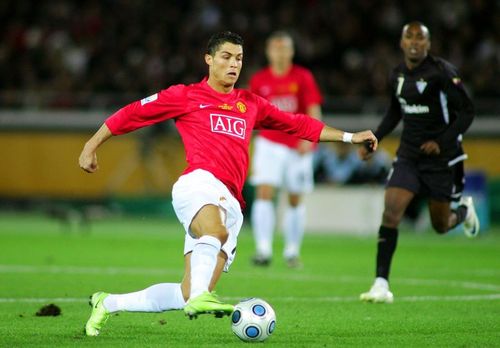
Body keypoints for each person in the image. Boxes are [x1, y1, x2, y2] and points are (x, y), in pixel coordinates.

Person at [79, 31, 378, 336]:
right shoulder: (185, 96)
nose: (234, 64)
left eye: (239, 59)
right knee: (215, 233)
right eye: (226, 57)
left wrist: (350, 137)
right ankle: (200, 297)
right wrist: (91, 145)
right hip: (198, 184)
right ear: (208, 60)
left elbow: (298, 124)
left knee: (187, 291)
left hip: (231, 201)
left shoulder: (250, 103)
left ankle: (108, 302)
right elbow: (133, 113)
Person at [358, 22, 480, 304]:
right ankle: (380, 284)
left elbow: (468, 112)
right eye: (409, 37)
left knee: (440, 225)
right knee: (391, 212)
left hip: (442, 159)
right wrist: (374, 138)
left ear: (428, 43)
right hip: (409, 156)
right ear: (401, 43)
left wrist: (442, 140)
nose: (414, 42)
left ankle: (463, 212)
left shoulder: (442, 73)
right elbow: (394, 112)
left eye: (420, 38)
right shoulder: (397, 74)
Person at [249, 31, 323, 268]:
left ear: (291, 52)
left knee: (294, 198)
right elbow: (251, 114)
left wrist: (310, 138)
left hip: (296, 144)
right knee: (264, 192)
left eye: (284, 48)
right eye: (276, 48)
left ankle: (292, 252)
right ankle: (263, 250)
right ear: (269, 52)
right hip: (269, 143)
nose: (280, 53)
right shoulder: (259, 80)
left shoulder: (302, 77)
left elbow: (313, 108)